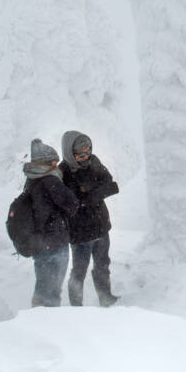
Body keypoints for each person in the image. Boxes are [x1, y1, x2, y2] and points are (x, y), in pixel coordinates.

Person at [59, 130, 120, 307]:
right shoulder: (63, 173)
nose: (86, 157)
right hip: (80, 233)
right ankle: (76, 307)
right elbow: (72, 202)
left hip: (101, 226)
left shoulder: (94, 162)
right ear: (69, 153)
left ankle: (105, 297)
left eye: (88, 152)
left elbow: (110, 183)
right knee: (79, 271)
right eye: (80, 155)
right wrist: (92, 193)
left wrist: (88, 193)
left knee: (102, 264)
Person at [23, 138, 79, 307]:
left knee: (42, 285)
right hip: (55, 242)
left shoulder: (31, 179)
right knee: (53, 290)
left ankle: (37, 313)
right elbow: (72, 203)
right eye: (54, 161)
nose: (56, 165)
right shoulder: (50, 180)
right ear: (47, 162)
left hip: (39, 243)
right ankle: (48, 323)